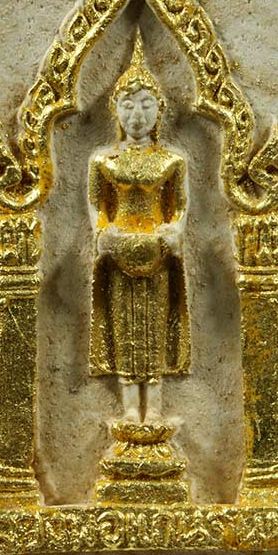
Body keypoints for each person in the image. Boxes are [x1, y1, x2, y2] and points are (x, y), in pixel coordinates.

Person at [88, 29, 191, 424]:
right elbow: (97, 205)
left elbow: (179, 206)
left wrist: (175, 231)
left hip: (157, 253)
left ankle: (156, 407)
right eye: (128, 106)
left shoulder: (172, 161)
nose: (137, 115)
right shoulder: (104, 162)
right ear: (115, 110)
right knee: (124, 327)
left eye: (146, 105)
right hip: (119, 254)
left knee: (154, 326)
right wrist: (103, 233)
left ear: (159, 111)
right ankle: (131, 407)